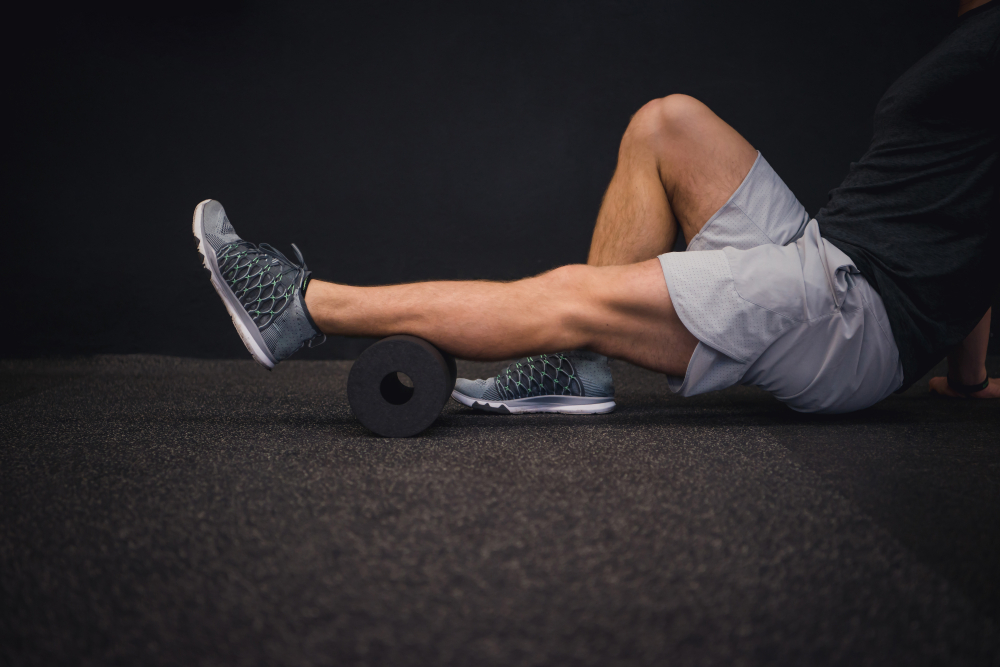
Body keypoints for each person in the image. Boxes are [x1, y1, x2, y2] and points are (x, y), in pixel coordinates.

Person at [193, 0, 999, 416]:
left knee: (573, 293)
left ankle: (301, 307)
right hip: (825, 250)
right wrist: (967, 379)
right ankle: (578, 364)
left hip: (853, 319)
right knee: (667, 122)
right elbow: (969, 198)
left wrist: (940, 355)